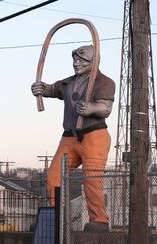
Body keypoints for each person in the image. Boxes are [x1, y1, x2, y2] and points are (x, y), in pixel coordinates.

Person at [31, 45, 115, 232]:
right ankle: (56, 217)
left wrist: (92, 108)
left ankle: (99, 220)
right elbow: (52, 89)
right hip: (69, 137)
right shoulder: (68, 83)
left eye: (81, 60)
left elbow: (106, 108)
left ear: (93, 62)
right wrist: (40, 88)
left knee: (92, 180)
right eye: (75, 60)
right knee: (54, 176)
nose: (76, 64)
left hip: (94, 136)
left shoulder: (104, 82)